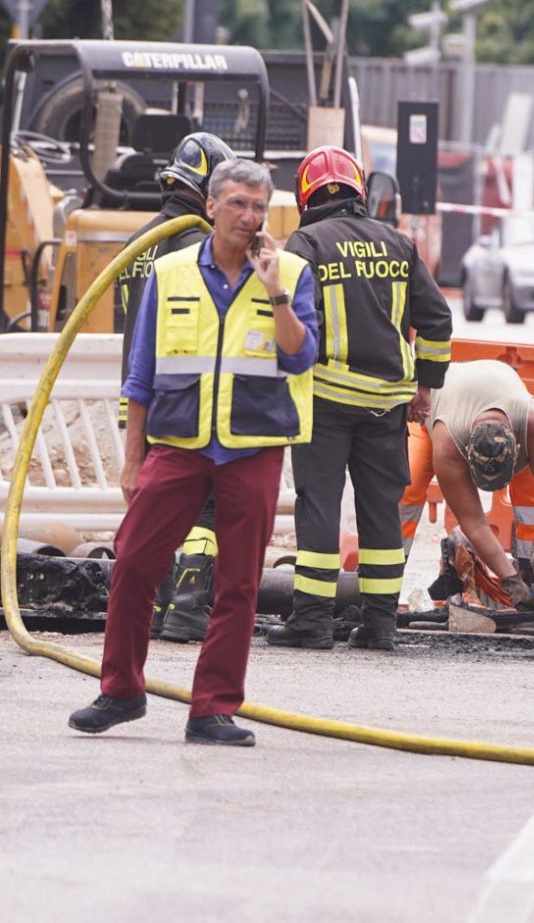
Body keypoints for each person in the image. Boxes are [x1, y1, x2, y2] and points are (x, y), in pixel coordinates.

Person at [68, 159, 318, 746]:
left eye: (258, 206)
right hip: (177, 445)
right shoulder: (173, 270)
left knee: (237, 584)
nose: (248, 216)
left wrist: (275, 287)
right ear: (210, 206)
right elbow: (142, 373)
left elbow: (300, 356)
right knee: (132, 564)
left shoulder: (292, 273)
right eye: (236, 203)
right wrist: (133, 459)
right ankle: (121, 691)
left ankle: (212, 708)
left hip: (252, 446)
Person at [266, 147, 452, 651]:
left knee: (320, 507)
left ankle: (312, 622)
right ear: (359, 190)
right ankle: (379, 625)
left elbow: (282, 319)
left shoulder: (304, 243)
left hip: (324, 401)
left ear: (307, 195)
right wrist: (425, 385)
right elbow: (437, 321)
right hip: (387, 405)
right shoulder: (399, 243)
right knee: (380, 511)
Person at [115, 132, 236, 643]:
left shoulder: (136, 245)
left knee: (157, 509)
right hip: (189, 403)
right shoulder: (199, 250)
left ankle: (160, 604)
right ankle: (187, 606)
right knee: (206, 506)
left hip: (138, 403)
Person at [399, 360, 534, 611]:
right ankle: (379, 585)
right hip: (436, 412)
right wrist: (508, 579)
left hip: (498, 400)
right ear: (468, 453)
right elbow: (473, 521)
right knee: (407, 489)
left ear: (517, 449)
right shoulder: (448, 444)